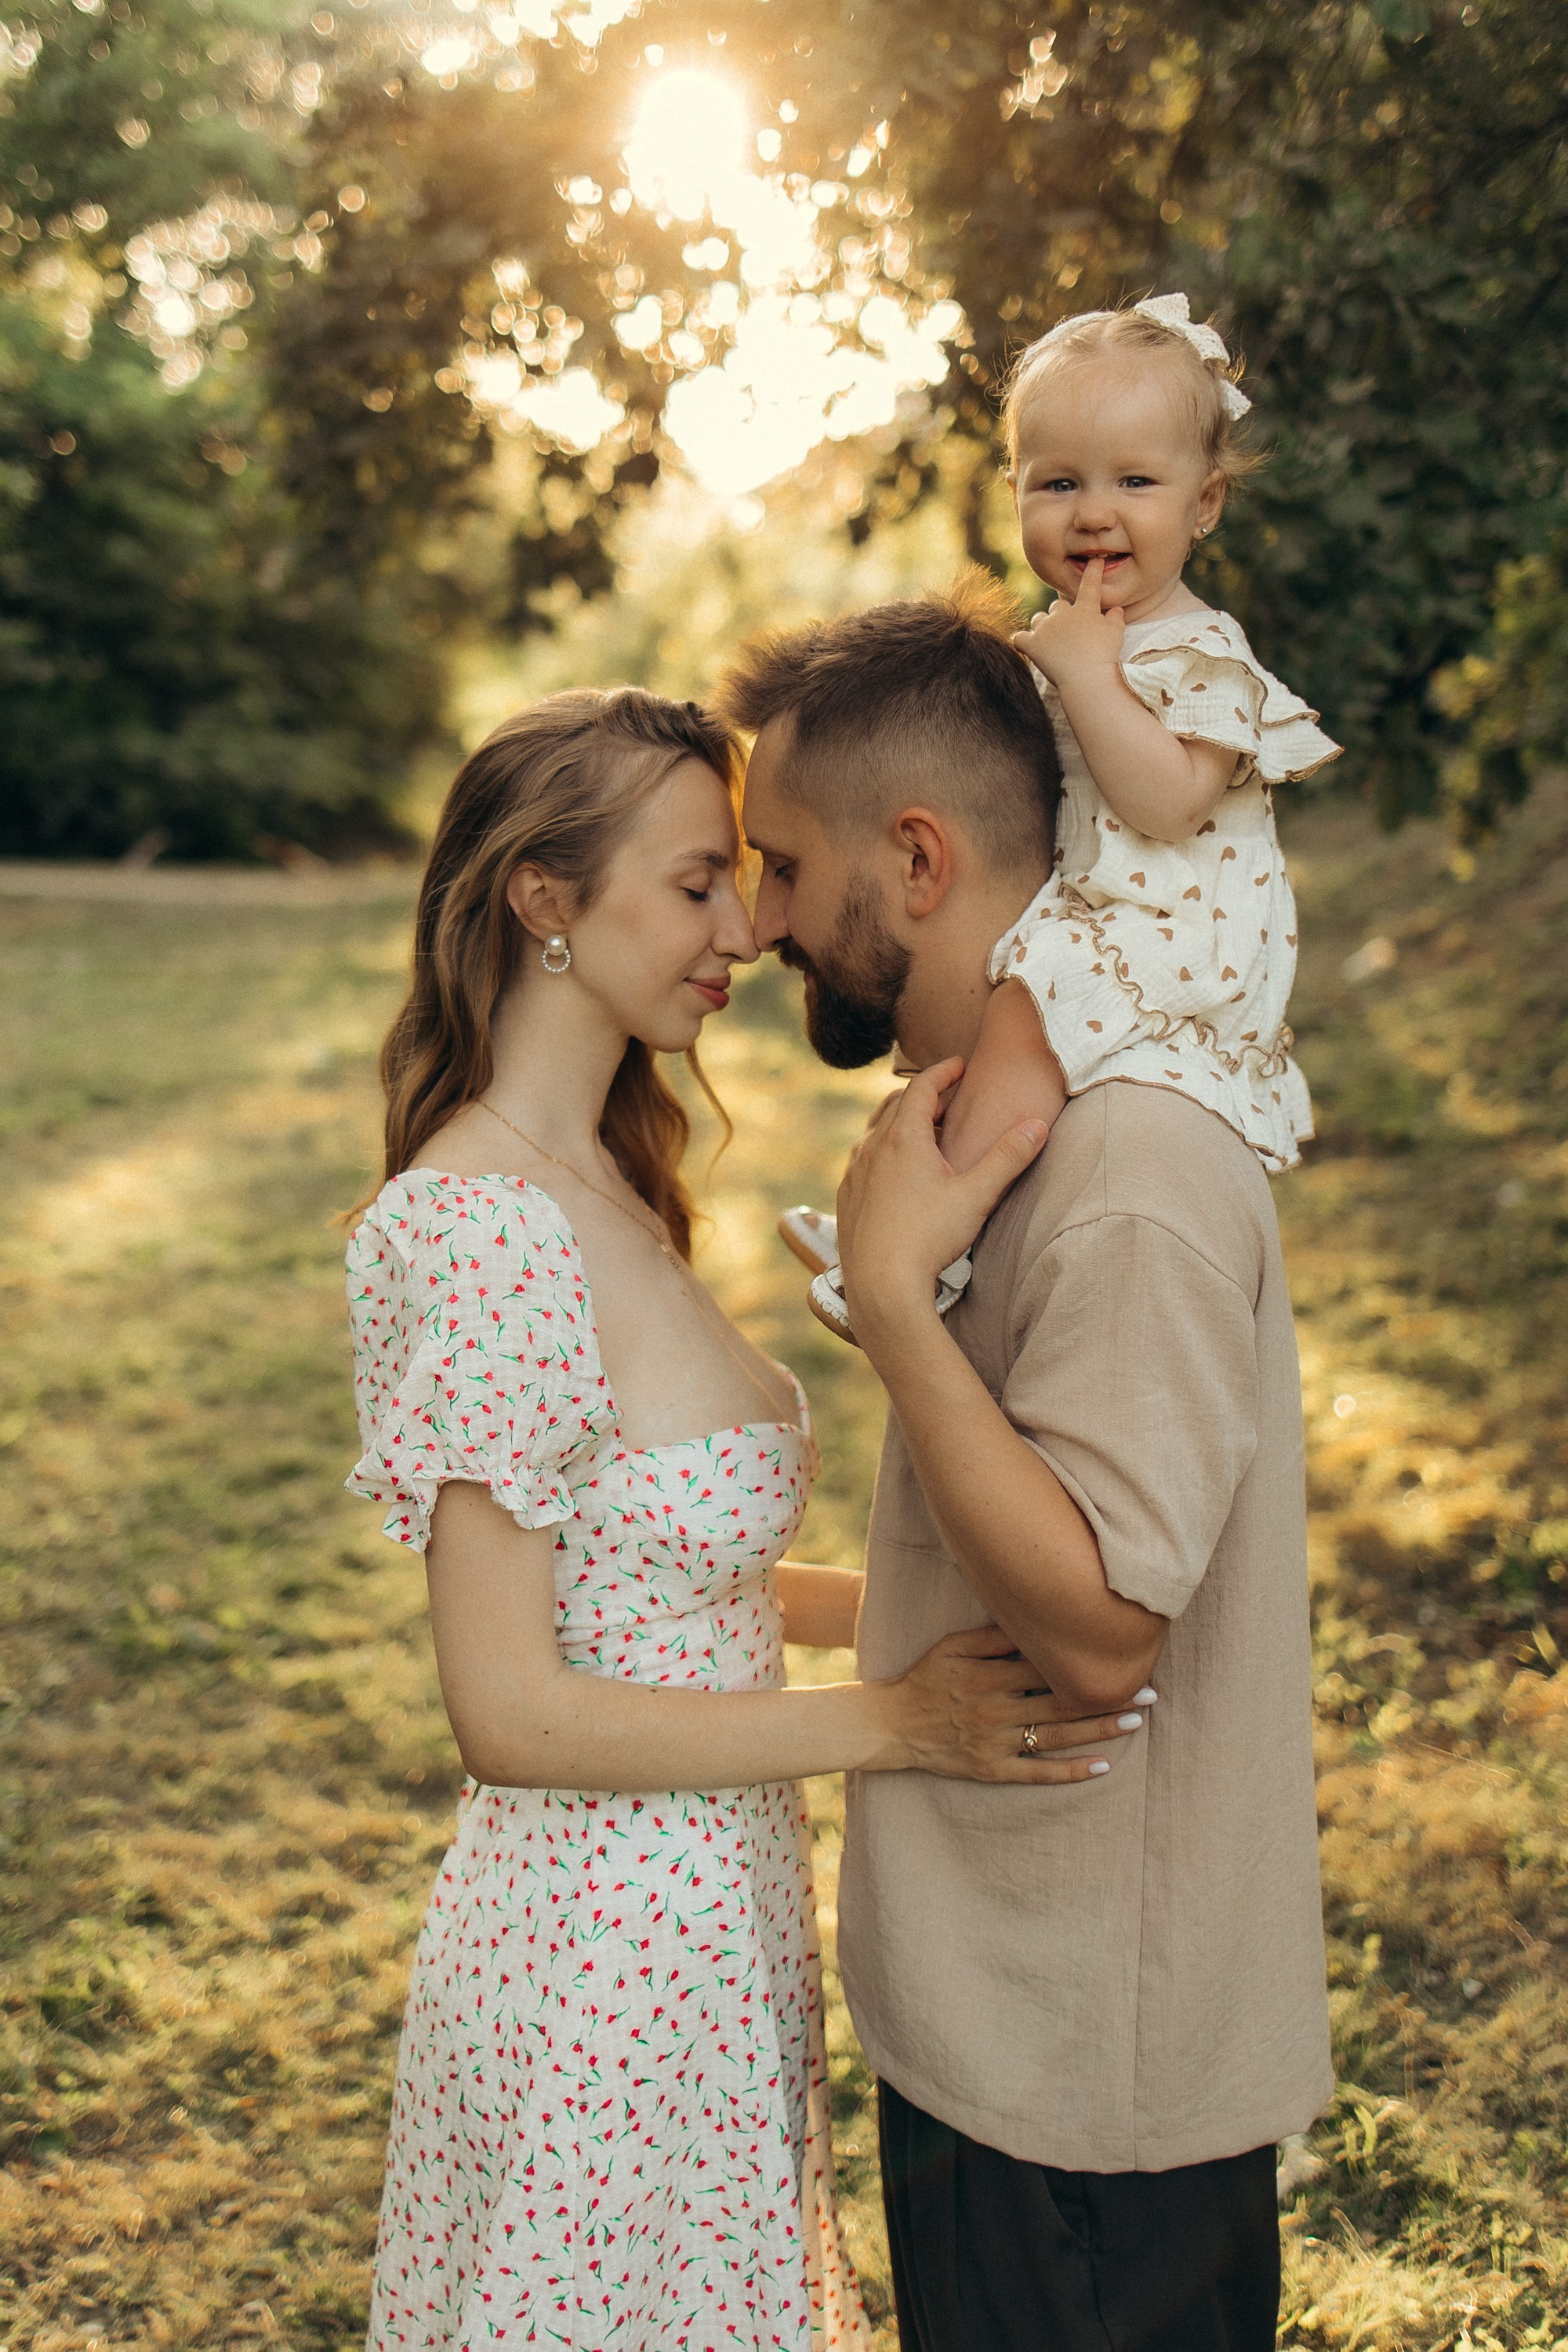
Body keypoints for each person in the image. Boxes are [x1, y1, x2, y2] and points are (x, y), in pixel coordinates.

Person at [342, 686, 1149, 2352]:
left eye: (747, 880)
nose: (747, 929)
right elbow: (509, 1709)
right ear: (544, 901)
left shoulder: (612, 1184)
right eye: (698, 881)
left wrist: (964, 1603)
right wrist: (896, 1719)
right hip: (595, 1959)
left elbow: (656, 1569)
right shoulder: (483, 1228)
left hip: (711, 1923)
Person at [720, 579, 1333, 2352]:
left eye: (780, 863)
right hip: (1004, 2026)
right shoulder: (1013, 1135)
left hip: (1083, 2092)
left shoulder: (1132, 1166)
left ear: (916, 859)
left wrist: (899, 1314)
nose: (758, 921)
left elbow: (1097, 1633)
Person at [788, 292, 1338, 1344]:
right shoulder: (1079, 637)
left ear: (1205, 502)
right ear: (1015, 494)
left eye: (1136, 480)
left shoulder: (1198, 651)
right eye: (1059, 483)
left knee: (1021, 1022)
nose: (1095, 512)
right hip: (1093, 906)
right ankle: (912, 1213)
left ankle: (919, 1256)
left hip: (1171, 930)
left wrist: (1087, 677)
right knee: (969, 1018)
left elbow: (1171, 802)